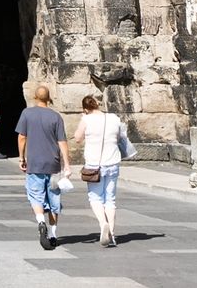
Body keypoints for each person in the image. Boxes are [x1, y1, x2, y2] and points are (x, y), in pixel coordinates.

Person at [15, 84, 70, 250]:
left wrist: (21, 157)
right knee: (54, 199)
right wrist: (67, 164)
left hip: (35, 163)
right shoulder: (56, 117)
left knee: (35, 195)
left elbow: (22, 137)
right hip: (53, 164)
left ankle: (40, 221)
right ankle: (53, 234)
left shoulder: (27, 113)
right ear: (49, 99)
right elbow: (62, 142)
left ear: (35, 97)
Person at [74, 93, 129, 248]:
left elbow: (77, 138)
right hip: (112, 162)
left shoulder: (86, 120)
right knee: (110, 199)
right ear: (97, 105)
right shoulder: (113, 118)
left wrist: (83, 119)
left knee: (95, 198)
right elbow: (120, 137)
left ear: (85, 109)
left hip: (94, 164)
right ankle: (111, 232)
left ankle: (103, 223)